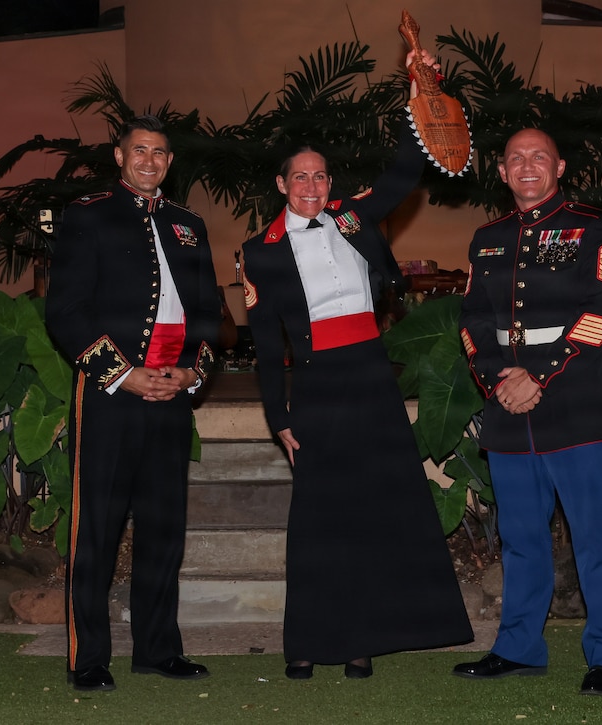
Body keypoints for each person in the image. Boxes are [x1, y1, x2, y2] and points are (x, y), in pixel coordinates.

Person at [241, 49, 473, 681]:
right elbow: (266, 344)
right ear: (282, 186)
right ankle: (306, 642)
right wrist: (278, 416)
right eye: (301, 178)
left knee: (375, 509)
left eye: (321, 176)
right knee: (319, 516)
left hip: (371, 374)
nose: (313, 186)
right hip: (317, 386)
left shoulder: (353, 215)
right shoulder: (258, 253)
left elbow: (405, 170)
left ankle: (361, 641)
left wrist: (418, 89)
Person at [453, 128, 602, 694]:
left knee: (595, 536)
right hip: (509, 407)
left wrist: (540, 374)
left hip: (575, 401)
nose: (527, 166)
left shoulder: (596, 228)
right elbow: (472, 323)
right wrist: (497, 380)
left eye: (538, 157)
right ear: (504, 174)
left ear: (558, 167)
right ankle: (518, 647)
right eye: (515, 160)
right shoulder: (487, 239)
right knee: (521, 537)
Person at [45, 114, 222, 692]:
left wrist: (193, 373)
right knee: (95, 531)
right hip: (111, 396)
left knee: (163, 530)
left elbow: (209, 319)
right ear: (119, 157)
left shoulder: (189, 225)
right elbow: (65, 313)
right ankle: (88, 658)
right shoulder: (89, 215)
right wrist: (124, 375)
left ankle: (157, 649)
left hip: (172, 395)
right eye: (139, 150)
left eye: (160, 152)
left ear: (171, 162)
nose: (150, 160)